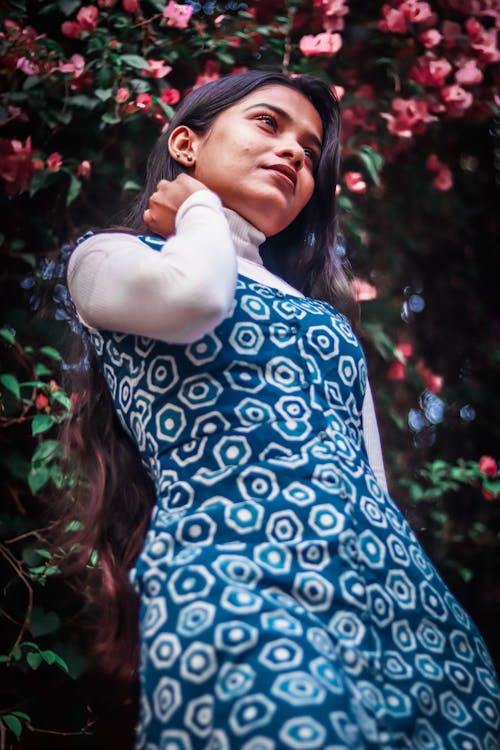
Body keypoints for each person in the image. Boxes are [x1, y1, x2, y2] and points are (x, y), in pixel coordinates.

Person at [64, 70, 499, 749]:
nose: (296, 152)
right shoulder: (108, 259)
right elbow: (197, 301)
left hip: (401, 608)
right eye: (269, 124)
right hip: (239, 577)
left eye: (309, 146)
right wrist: (197, 211)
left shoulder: (325, 322)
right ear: (185, 143)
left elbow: (371, 484)